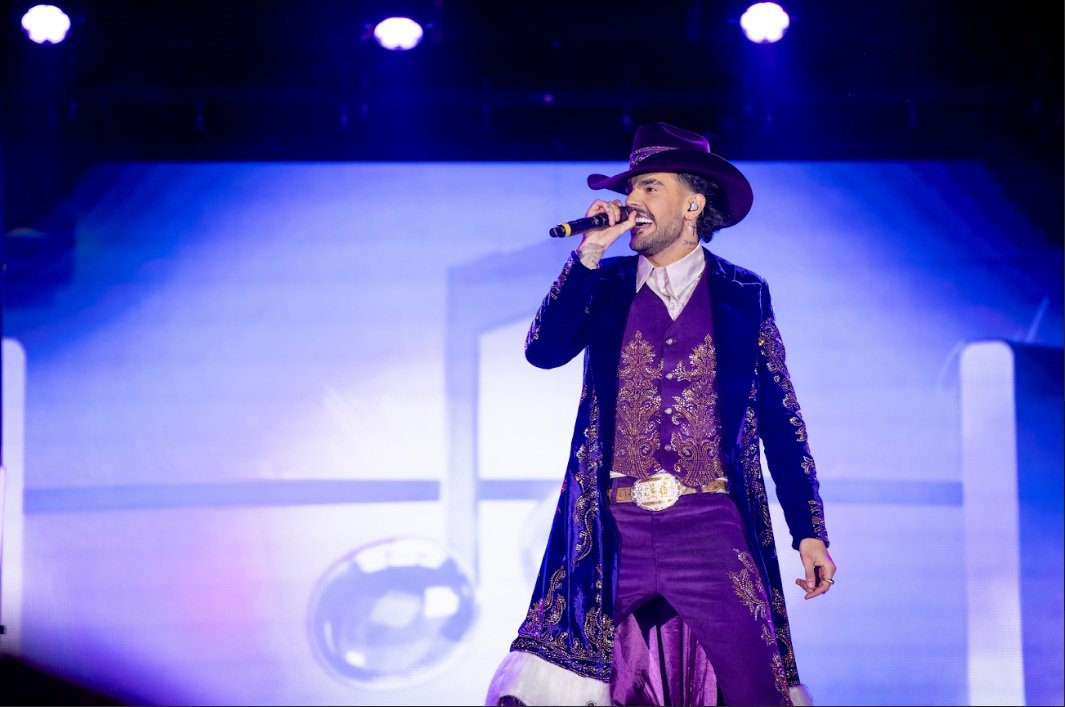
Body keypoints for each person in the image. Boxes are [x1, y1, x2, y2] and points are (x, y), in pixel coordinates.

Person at [484, 121, 835, 707]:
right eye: (631, 188)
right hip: (612, 529)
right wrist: (588, 252)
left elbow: (783, 422)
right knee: (553, 687)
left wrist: (809, 531)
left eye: (650, 187)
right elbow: (543, 351)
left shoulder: (744, 294)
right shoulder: (603, 283)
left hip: (710, 525)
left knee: (760, 689)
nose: (633, 201)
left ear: (693, 204)